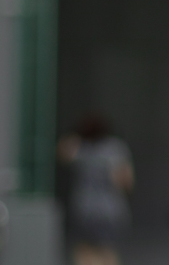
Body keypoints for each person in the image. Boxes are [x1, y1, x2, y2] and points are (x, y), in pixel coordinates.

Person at [58, 113, 134, 265]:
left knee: (84, 251)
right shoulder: (114, 149)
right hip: (109, 209)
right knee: (107, 251)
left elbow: (63, 152)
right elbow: (124, 181)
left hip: (83, 207)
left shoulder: (81, 149)